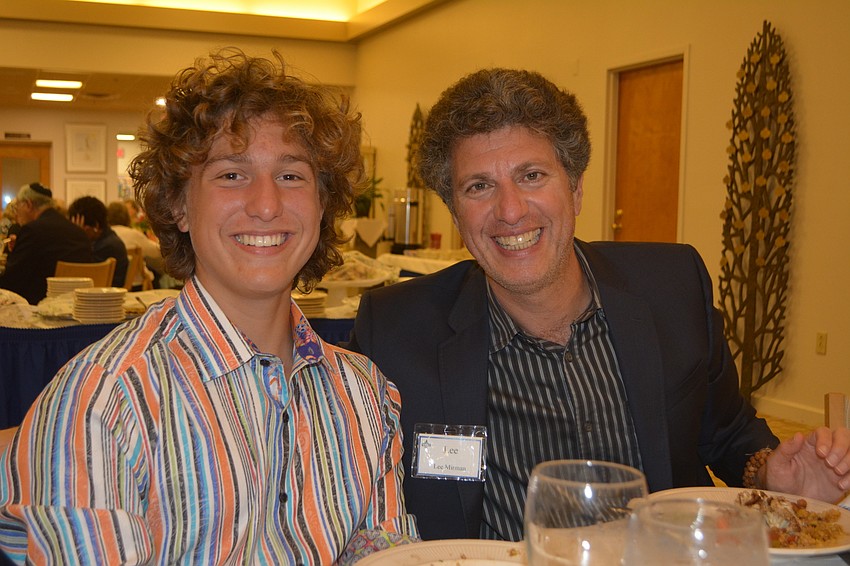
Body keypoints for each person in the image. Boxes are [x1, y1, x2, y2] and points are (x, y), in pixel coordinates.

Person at [347, 68, 850, 541]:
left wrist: (772, 472)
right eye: (479, 186)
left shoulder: (671, 290)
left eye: (532, 176)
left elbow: (728, 434)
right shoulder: (396, 331)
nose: (510, 210)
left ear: (577, 189)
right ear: (456, 212)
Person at [0, 49, 417, 564]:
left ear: (323, 203)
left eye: (292, 176)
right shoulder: (103, 404)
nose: (266, 204)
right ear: (178, 205)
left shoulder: (368, 396)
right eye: (231, 175)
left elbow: (381, 551)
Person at [0, 182, 92, 304]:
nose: (16, 213)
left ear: (28, 204)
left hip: (39, 306)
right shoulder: (78, 232)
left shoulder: (32, 230)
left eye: (18, 206)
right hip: (79, 306)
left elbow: (11, 281)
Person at [69, 195, 129, 287]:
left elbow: (83, 276)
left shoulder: (108, 246)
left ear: (95, 226)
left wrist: (79, 238)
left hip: (104, 296)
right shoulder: (107, 239)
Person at [107, 200, 164, 288]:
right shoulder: (134, 235)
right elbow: (157, 252)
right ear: (126, 217)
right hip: (136, 285)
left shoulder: (104, 237)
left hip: (110, 284)